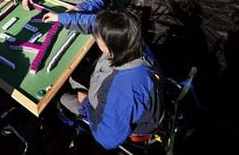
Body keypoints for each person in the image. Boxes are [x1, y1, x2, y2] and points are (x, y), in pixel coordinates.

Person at [43, 10, 164, 150]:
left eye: (98, 38)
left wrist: (85, 104)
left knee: (59, 97)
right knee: (73, 76)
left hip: (108, 114)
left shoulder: (124, 89)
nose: (95, 36)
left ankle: (67, 120)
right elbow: (95, 23)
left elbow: (108, 138)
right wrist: (59, 17)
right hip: (108, 87)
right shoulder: (130, 40)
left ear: (110, 48)